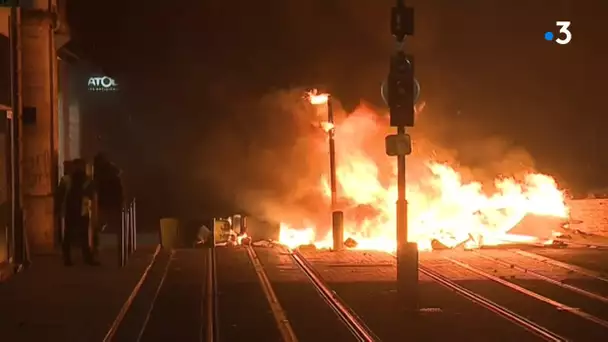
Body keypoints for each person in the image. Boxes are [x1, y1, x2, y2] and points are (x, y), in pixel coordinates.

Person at [55, 158, 98, 266]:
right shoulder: (88, 180)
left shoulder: (66, 180)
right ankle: (87, 258)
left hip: (70, 210)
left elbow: (59, 196)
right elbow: (93, 196)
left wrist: (58, 210)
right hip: (83, 210)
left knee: (68, 234)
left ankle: (67, 259)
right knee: (83, 235)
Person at [93, 153, 124, 252]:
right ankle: (120, 245)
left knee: (100, 224)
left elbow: (98, 187)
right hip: (112, 201)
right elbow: (119, 188)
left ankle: (96, 246)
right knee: (116, 225)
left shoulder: (100, 173)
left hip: (105, 202)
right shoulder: (113, 172)